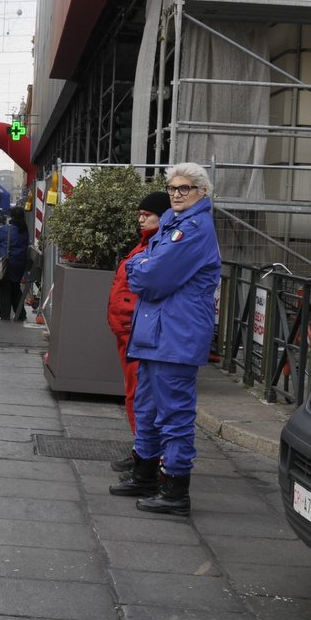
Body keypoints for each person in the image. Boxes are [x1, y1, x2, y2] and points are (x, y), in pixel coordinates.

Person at [112, 163, 222, 516]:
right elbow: (149, 265)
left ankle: (176, 488)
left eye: (184, 188)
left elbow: (150, 277)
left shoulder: (192, 229)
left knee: (173, 413)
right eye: (173, 188)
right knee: (147, 407)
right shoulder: (179, 223)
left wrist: (137, 267)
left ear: (202, 192)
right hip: (159, 331)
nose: (176, 193)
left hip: (176, 334)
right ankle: (145, 472)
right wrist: (143, 265)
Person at [107, 191, 171, 468]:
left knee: (142, 398)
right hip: (130, 331)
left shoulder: (161, 245)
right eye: (140, 215)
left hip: (140, 332)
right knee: (136, 396)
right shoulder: (147, 243)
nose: (141, 220)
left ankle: (150, 458)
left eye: (147, 215)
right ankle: (143, 453)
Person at [0, 205, 30, 321]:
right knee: (15, 288)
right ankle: (20, 314)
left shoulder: (6, 229)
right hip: (20, 264)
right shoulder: (25, 230)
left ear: (11, 216)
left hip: (6, 263)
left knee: (4, 289)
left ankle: (4, 314)